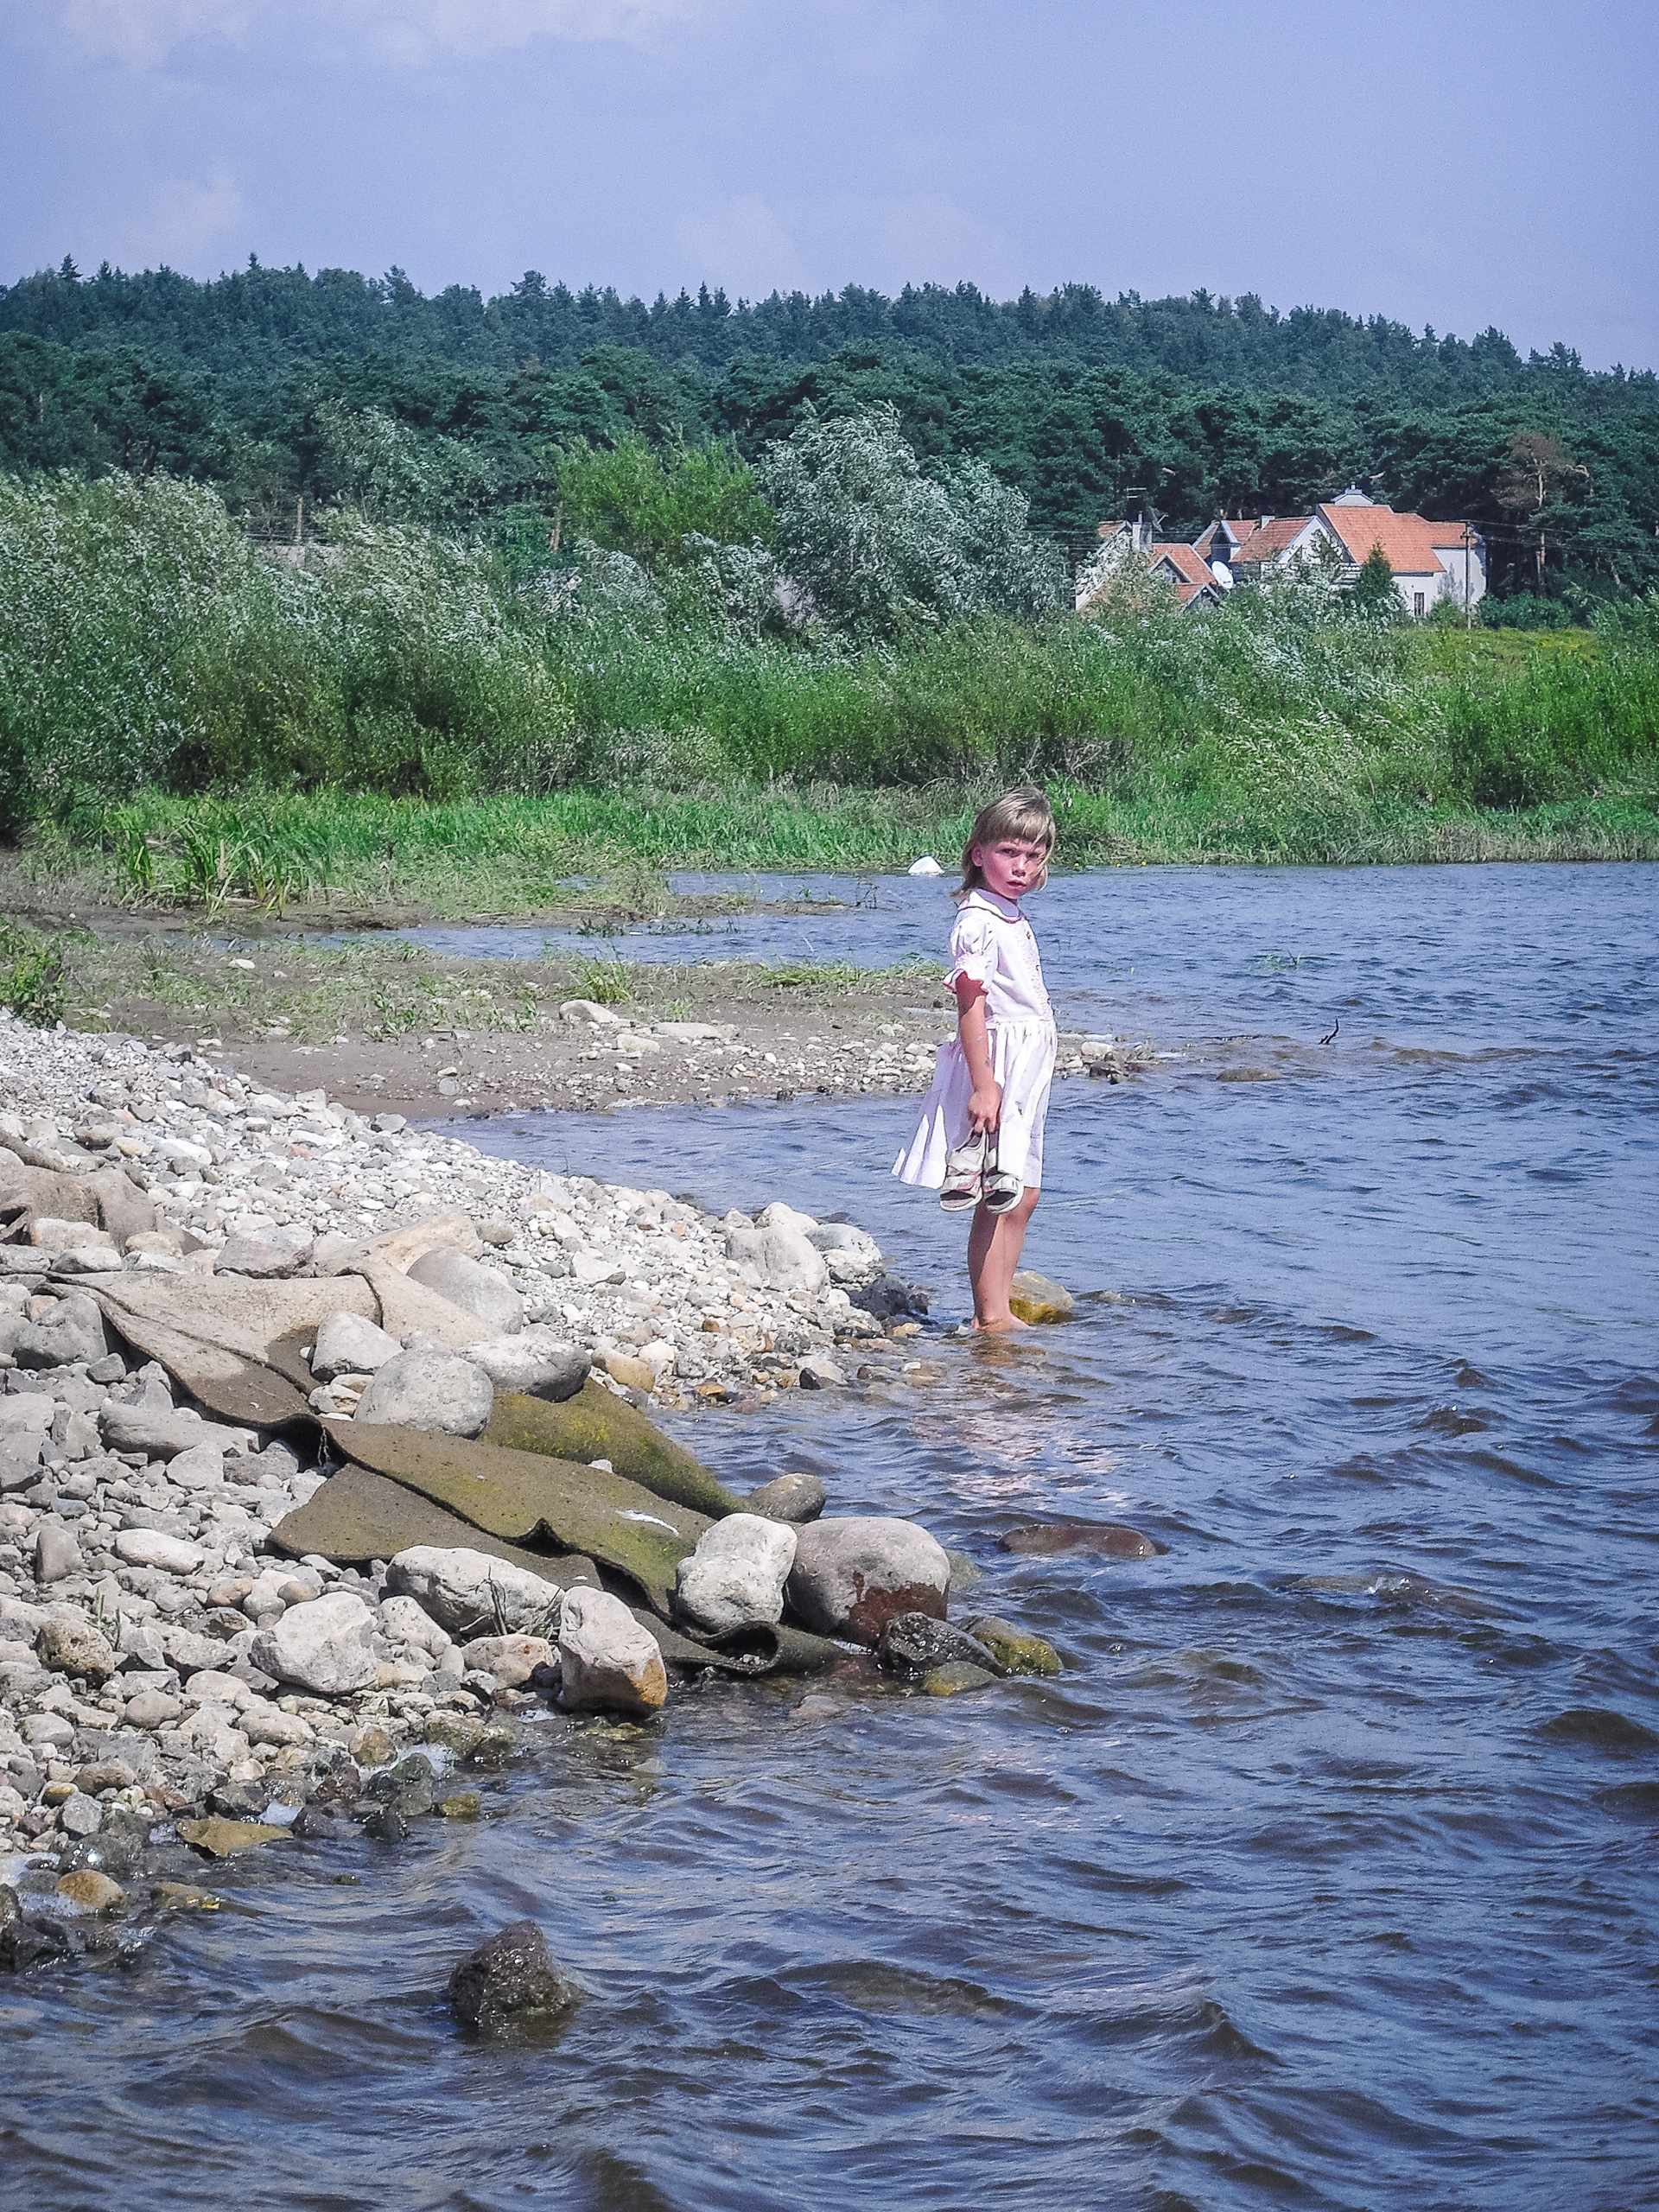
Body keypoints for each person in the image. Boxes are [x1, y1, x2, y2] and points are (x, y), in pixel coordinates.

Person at [894, 785, 1058, 1331]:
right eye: (1010, 852)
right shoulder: (978, 920)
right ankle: (990, 1316)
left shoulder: (1005, 911)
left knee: (1024, 1191)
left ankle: (1001, 1304)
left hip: (1026, 1062)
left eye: (1034, 856)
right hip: (999, 1062)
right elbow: (971, 1004)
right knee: (997, 1191)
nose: (1022, 866)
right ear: (977, 853)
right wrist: (984, 1086)